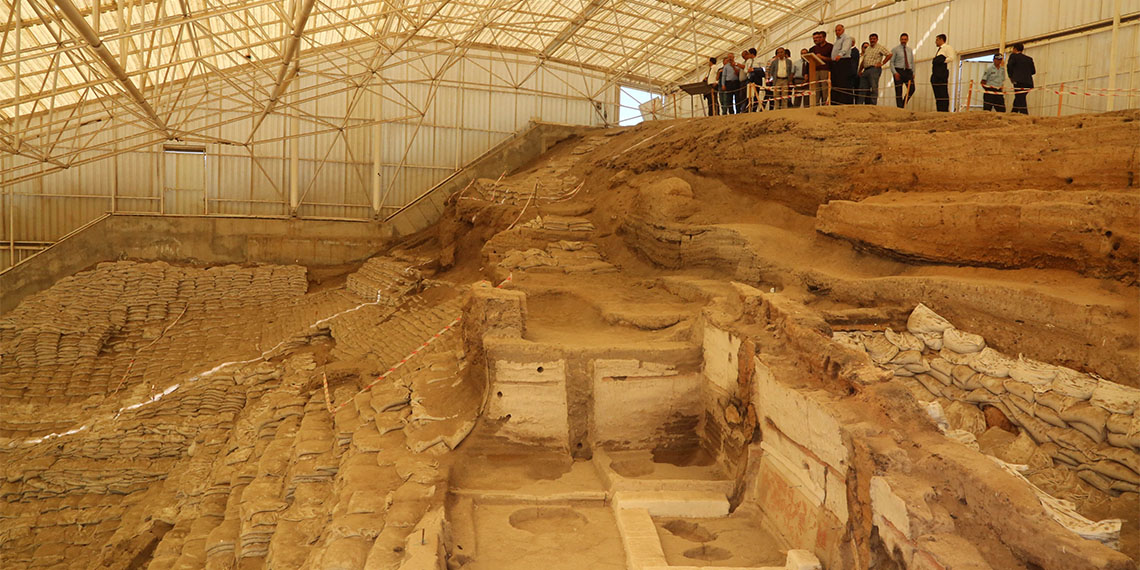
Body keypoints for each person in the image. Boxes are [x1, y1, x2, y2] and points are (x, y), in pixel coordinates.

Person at [857, 33, 890, 105]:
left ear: (877, 39)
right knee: (862, 88)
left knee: (873, 87)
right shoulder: (867, 49)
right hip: (866, 69)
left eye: (874, 39)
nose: (872, 40)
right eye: (871, 39)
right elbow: (864, 61)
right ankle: (859, 104)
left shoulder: (880, 47)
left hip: (874, 69)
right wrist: (860, 70)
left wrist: (882, 63)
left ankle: (873, 105)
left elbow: (889, 54)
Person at [930, 34, 957, 112]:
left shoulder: (947, 48)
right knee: (937, 93)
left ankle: (944, 110)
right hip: (936, 73)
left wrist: (941, 61)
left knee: (942, 92)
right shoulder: (940, 50)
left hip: (942, 73)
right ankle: (939, 110)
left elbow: (951, 57)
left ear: (941, 40)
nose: (936, 42)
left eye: (937, 40)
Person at [1006, 42, 1036, 114]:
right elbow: (1033, 71)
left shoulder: (1013, 56)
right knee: (1019, 97)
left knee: (1020, 98)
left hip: (1018, 81)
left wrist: (1011, 76)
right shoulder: (1029, 59)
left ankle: (1025, 114)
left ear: (1015, 49)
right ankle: (1013, 112)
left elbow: (1009, 66)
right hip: (1029, 83)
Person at [830, 24, 856, 104]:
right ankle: (836, 102)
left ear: (843, 30)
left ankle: (844, 102)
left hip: (843, 62)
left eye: (839, 30)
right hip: (835, 63)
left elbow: (845, 48)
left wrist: (840, 55)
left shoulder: (846, 38)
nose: (837, 32)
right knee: (836, 83)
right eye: (836, 30)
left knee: (843, 83)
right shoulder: (837, 40)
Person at [890, 33, 916, 108]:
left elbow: (912, 61)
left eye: (905, 39)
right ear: (900, 40)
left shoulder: (910, 50)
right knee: (898, 91)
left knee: (912, 89)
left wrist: (913, 72)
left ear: (907, 40)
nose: (903, 41)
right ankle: (899, 108)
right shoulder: (895, 49)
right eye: (902, 39)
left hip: (908, 71)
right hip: (899, 70)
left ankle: (903, 103)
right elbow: (891, 62)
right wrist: (895, 73)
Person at [808, 31, 833, 106]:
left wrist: (822, 57)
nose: (817, 39)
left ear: (824, 37)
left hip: (825, 70)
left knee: (824, 89)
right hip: (815, 71)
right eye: (816, 38)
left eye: (819, 37)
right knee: (816, 90)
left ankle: (826, 104)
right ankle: (815, 105)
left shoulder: (830, 47)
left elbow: (832, 59)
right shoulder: (813, 49)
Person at [744, 48, 766, 112]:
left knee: (757, 93)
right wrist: (747, 70)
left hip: (757, 78)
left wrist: (754, 69)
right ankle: (749, 107)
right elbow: (745, 69)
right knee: (749, 94)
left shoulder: (759, 60)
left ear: (752, 54)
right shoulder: (748, 61)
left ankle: (755, 108)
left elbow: (763, 69)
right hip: (750, 77)